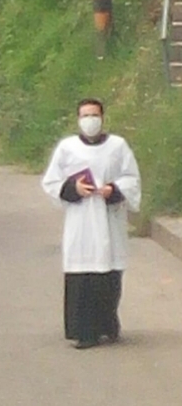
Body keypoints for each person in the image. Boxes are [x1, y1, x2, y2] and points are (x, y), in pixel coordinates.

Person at [41, 98, 141, 349]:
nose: (90, 120)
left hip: (108, 218)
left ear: (102, 117)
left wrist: (113, 190)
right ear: (78, 119)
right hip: (81, 219)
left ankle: (107, 324)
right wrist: (72, 188)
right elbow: (51, 182)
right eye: (85, 115)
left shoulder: (118, 146)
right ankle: (84, 331)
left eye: (94, 115)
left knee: (108, 273)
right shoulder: (67, 148)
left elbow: (131, 177)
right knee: (81, 275)